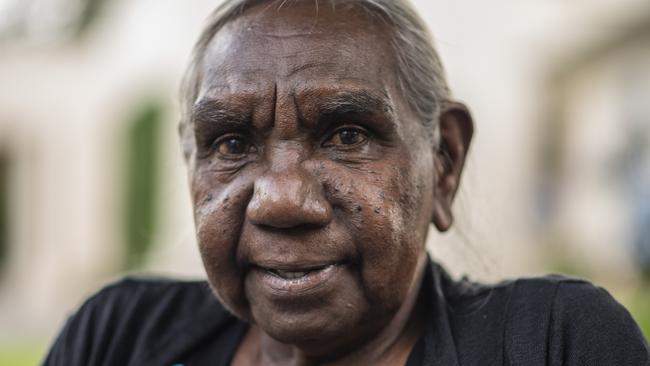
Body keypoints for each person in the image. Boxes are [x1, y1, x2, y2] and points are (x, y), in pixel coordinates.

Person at [43, 0, 650, 365]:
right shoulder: (118, 338)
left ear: (444, 162)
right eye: (231, 144)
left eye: (347, 136)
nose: (281, 200)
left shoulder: (552, 345)